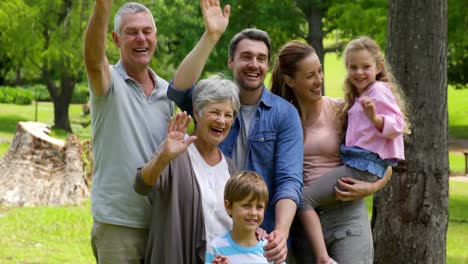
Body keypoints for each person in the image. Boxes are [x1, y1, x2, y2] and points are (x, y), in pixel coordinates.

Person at [167, 1, 303, 262]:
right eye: (246, 57)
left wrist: (280, 235)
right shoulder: (214, 102)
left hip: (259, 237)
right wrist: (211, 36)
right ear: (231, 61)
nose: (254, 64)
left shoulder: (284, 115)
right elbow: (178, 89)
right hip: (211, 230)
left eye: (261, 58)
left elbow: (289, 180)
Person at [270, 39, 400, 263]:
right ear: (290, 80)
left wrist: (372, 187)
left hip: (346, 218)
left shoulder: (343, 110)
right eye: (310, 75)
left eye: (320, 71)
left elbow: (383, 158)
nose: (319, 80)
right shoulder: (280, 118)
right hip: (303, 227)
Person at [83, 1, 174, 263]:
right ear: (116, 39)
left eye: (147, 31)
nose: (141, 38)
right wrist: (103, 5)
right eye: (132, 32)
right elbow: (92, 60)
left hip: (161, 224)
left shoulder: (167, 93)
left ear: (155, 37)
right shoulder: (108, 82)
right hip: (118, 225)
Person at [134, 76, 242, 263]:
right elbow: (141, 185)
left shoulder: (231, 168)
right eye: (214, 112)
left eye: (228, 115)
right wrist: (163, 158)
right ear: (197, 112)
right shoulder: (175, 151)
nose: (221, 121)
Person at [205, 171, 272, 263]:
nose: (253, 213)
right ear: (228, 206)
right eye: (246, 205)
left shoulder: (270, 248)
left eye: (259, 207)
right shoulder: (216, 247)